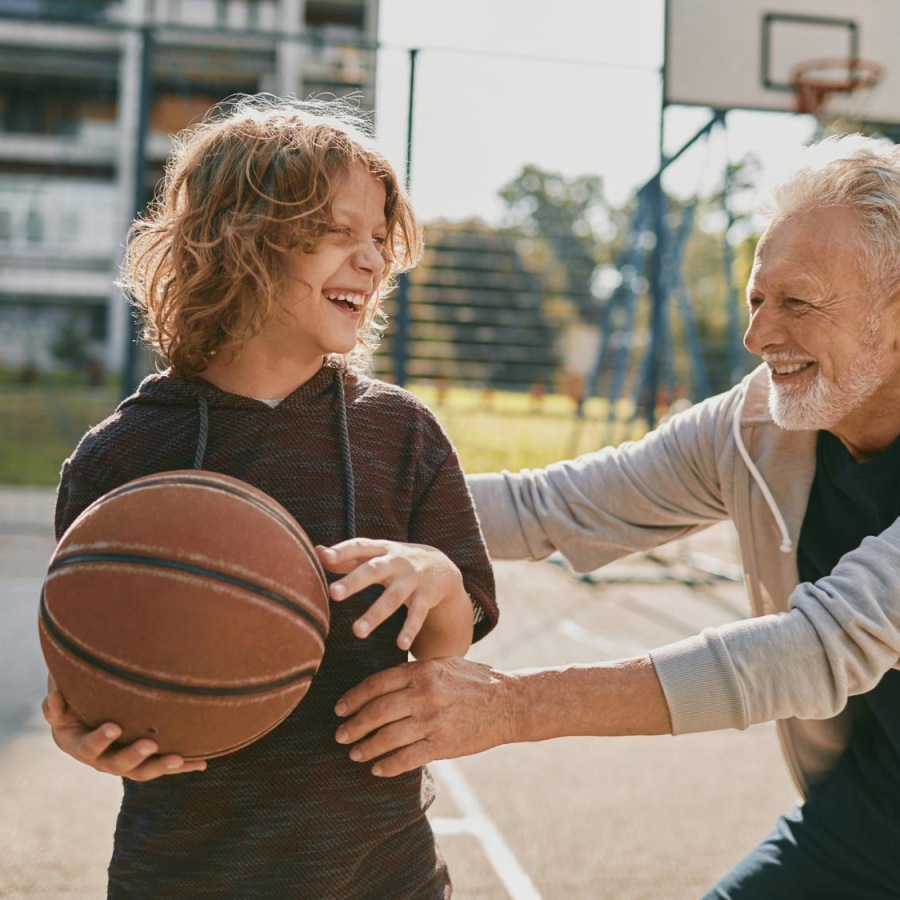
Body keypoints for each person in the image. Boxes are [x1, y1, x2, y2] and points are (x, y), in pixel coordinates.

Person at [332, 133, 900, 898]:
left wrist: (509, 707)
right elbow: (557, 506)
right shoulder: (757, 425)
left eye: (797, 302)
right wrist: (317, 508)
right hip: (871, 820)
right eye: (757, 299)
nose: (757, 336)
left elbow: (817, 648)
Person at [41, 94, 497, 898]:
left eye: (378, 238)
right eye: (337, 232)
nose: (371, 259)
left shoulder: (403, 436)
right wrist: (88, 733)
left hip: (382, 871)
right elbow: (88, 669)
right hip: (185, 872)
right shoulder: (120, 459)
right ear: (241, 239)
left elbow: (446, 653)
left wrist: (442, 583)